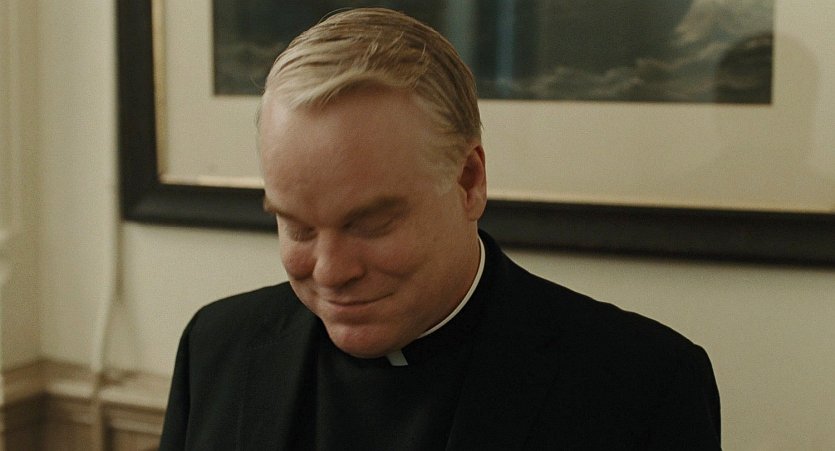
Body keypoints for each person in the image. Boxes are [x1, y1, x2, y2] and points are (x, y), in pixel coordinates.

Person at [159, 7, 720, 450]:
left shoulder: (642, 384)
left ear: (469, 181)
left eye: (371, 224)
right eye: (298, 228)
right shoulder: (215, 348)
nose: (330, 272)